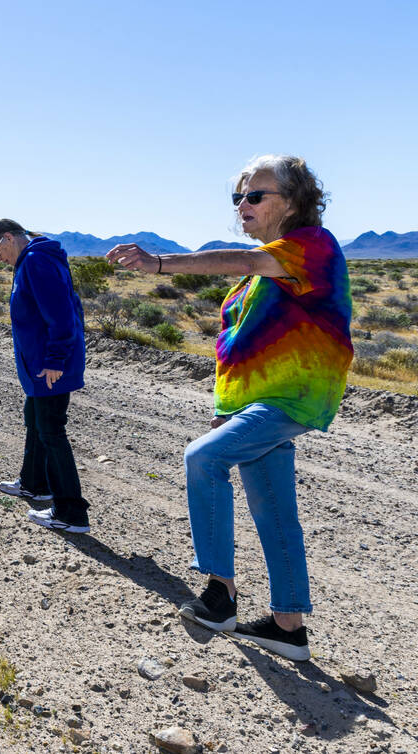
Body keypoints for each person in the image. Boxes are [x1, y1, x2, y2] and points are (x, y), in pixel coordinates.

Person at [106, 155, 352, 662]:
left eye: (255, 196)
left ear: (294, 201)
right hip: (256, 402)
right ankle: (288, 627)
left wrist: (157, 264)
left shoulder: (311, 247)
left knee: (203, 458)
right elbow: (244, 342)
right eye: (238, 196)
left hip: (294, 397)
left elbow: (244, 260)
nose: (243, 205)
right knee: (275, 509)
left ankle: (220, 595)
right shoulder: (265, 271)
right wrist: (228, 410)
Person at [0, 220, 89, 533]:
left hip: (49, 368)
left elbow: (62, 315)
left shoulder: (37, 261)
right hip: (39, 367)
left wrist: (55, 359)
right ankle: (34, 483)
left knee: (51, 431)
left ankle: (71, 512)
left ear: (9, 238)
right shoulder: (32, 260)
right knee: (35, 420)